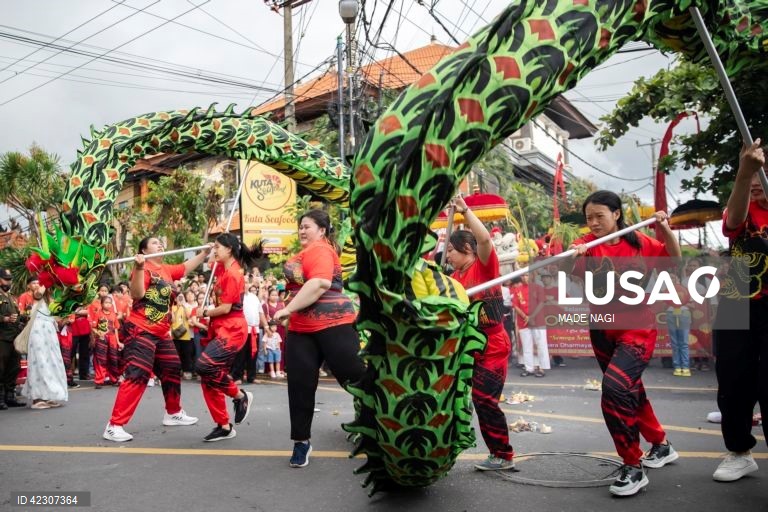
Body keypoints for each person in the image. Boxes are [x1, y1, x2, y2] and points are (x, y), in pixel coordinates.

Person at [567, 190, 681, 497]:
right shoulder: (587, 247)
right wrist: (571, 255)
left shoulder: (641, 243)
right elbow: (567, 269)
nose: (593, 223)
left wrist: (665, 228)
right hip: (602, 329)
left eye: (599, 216)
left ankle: (633, 465)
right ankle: (661, 444)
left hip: (637, 329)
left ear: (617, 214)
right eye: (588, 217)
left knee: (616, 388)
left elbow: (673, 258)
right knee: (630, 389)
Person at [272, 209, 366, 468]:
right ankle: (301, 442)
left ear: (322, 230)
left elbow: (320, 284)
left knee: (356, 377)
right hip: (302, 329)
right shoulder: (304, 253)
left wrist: (287, 309)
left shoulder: (322, 250)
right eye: (300, 226)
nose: (302, 231)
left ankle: (380, 427)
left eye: (307, 226)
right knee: (300, 387)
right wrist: (291, 312)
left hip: (333, 323)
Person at [103, 237, 210, 442]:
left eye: (161, 242)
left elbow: (185, 267)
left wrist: (204, 253)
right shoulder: (142, 268)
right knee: (138, 374)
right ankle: (114, 425)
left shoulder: (167, 270)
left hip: (162, 332)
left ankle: (173, 413)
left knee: (171, 367)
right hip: (140, 329)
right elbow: (137, 293)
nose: (160, 244)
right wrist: (139, 267)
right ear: (144, 249)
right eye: (154, 243)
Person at [711, 139, 768, 482]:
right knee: (731, 381)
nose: (759, 177)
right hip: (738, 291)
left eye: (764, 170)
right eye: (753, 169)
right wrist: (744, 176)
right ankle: (739, 451)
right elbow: (732, 222)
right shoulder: (743, 203)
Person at [445, 195, 515, 471]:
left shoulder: (484, 267)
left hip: (493, 344)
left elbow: (484, 241)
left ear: (466, 249)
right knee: (459, 399)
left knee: (484, 399)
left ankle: (502, 455)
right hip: (465, 349)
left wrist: (465, 211)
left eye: (451, 250)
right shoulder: (453, 279)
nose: (448, 255)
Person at [195, 233, 262, 442]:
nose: (214, 250)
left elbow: (224, 308)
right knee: (208, 378)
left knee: (204, 366)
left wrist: (204, 312)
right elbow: (210, 262)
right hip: (220, 328)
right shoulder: (223, 268)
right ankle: (223, 426)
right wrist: (209, 250)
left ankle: (239, 396)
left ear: (229, 250)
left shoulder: (233, 274)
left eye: (218, 247)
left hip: (232, 329)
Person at [21, 284, 68, 408]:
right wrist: (42, 286)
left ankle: (49, 395)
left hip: (50, 334)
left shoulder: (51, 299)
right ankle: (37, 398)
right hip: (37, 333)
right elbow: (37, 295)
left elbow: (58, 316)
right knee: (39, 362)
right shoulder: (33, 296)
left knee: (52, 363)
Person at [0, 268, 25, 409]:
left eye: (10, 279)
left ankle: (10, 396)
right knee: (1, 369)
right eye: (6, 279)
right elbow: (6, 317)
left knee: (13, 368)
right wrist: (5, 318)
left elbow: (17, 315)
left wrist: (24, 318)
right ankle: (1, 398)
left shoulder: (11, 297)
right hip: (2, 338)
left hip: (14, 338)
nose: (9, 282)